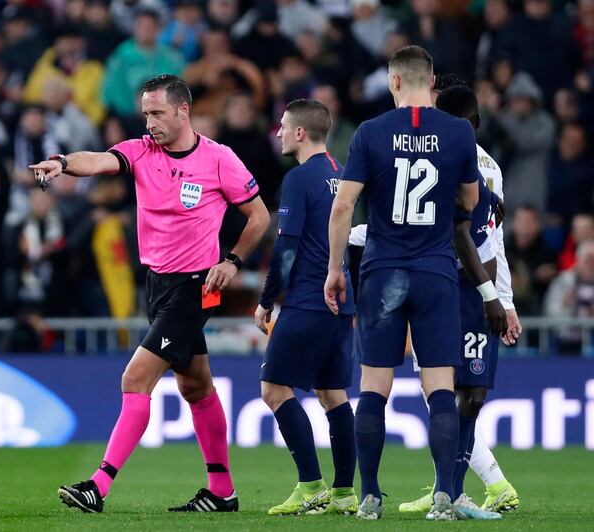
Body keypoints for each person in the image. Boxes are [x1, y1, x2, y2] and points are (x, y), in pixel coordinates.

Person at [29, 74, 269, 514]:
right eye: (146, 113)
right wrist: (62, 162)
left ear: (183, 110)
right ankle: (222, 492)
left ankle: (97, 486)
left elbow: (258, 216)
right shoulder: (141, 150)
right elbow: (99, 161)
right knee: (196, 387)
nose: (150, 122)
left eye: (158, 113)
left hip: (196, 287)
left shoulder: (219, 159)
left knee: (135, 379)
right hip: (157, 284)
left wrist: (231, 261)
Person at [323, 46, 506, 520]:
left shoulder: (370, 133)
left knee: (373, 389)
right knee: (441, 387)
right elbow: (470, 201)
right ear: (430, 81)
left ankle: (369, 496)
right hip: (436, 272)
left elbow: (343, 207)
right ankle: (445, 495)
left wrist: (334, 268)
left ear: (395, 82)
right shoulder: (458, 134)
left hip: (383, 271)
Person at [392, 85, 520, 516]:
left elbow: (491, 240)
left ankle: (453, 488)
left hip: (468, 288)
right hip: (441, 284)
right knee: (449, 393)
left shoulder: (479, 167)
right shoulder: (442, 160)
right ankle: (450, 488)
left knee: (466, 394)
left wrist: (503, 299)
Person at [255, 99, 358, 516]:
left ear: (300, 133)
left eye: (283, 126)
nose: (278, 132)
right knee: (333, 395)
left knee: (274, 390)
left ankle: (311, 486)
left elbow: (285, 248)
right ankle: (345, 492)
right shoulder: (342, 174)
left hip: (307, 300)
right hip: (341, 301)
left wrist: (266, 301)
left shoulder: (298, 179)